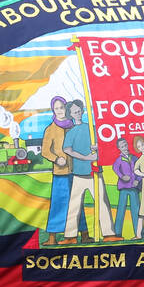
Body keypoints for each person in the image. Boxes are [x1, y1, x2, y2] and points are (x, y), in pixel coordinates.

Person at [62, 100, 103, 243]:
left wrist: (97, 148)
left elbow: (101, 144)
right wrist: (85, 157)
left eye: (79, 110)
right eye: (74, 112)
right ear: (71, 115)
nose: (78, 113)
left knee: (102, 202)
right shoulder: (72, 132)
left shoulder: (91, 128)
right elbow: (67, 149)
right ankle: (70, 236)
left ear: (82, 111)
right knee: (74, 205)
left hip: (94, 172)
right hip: (79, 173)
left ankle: (109, 233)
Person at [40, 97, 75, 246]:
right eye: (57, 108)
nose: (60, 111)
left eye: (62, 107)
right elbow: (45, 151)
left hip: (76, 171)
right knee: (58, 205)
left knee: (76, 204)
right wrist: (56, 159)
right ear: (53, 111)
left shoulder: (73, 126)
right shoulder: (50, 129)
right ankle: (52, 237)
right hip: (60, 173)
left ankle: (84, 234)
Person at [112, 137, 142, 239]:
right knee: (121, 209)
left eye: (125, 145)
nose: (124, 147)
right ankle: (117, 233)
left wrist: (138, 179)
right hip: (124, 187)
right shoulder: (119, 160)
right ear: (119, 148)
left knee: (136, 210)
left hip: (134, 187)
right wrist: (122, 176)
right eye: (122, 146)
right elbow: (115, 168)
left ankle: (139, 233)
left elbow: (139, 170)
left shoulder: (134, 158)